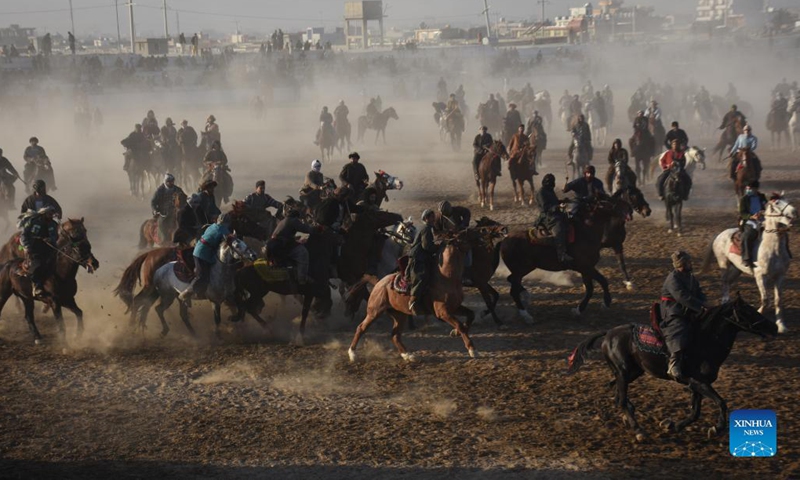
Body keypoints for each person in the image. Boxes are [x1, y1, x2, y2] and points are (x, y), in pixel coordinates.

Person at [660, 251, 708, 381]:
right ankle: (673, 363)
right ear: (682, 264)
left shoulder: (691, 277)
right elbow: (682, 297)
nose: (690, 264)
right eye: (688, 262)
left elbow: (699, 292)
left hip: (690, 308)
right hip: (673, 310)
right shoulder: (673, 278)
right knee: (679, 327)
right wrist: (700, 306)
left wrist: (705, 303)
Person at [178, 213, 234, 303]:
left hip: (202, 251)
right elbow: (230, 239)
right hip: (202, 253)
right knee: (202, 276)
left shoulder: (212, 226)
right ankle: (188, 292)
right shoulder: (223, 230)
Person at [270, 205, 316, 284]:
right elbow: (307, 230)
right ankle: (302, 278)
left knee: (301, 241)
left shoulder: (283, 221)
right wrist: (315, 227)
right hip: (283, 246)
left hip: (277, 244)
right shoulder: (293, 220)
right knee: (303, 253)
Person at [19, 206, 59, 298]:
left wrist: (51, 239)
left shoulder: (53, 224)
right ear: (44, 214)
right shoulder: (33, 222)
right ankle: (36, 286)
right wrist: (27, 246)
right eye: (49, 214)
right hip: (34, 248)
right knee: (38, 265)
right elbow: (24, 234)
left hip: (49, 247)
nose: (51, 216)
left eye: (52, 214)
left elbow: (56, 236)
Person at [535, 174, 573, 263]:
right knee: (559, 230)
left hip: (556, 214)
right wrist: (558, 206)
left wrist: (563, 201)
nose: (551, 183)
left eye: (552, 181)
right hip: (548, 217)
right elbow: (546, 208)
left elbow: (554, 202)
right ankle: (561, 254)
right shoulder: (541, 192)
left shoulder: (550, 191)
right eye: (549, 181)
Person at [407, 209, 438, 315]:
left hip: (423, 256)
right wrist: (438, 247)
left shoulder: (430, 228)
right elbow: (426, 246)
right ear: (426, 218)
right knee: (421, 277)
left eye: (434, 217)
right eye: (431, 217)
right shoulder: (426, 229)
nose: (434, 219)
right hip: (418, 257)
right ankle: (413, 301)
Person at [738, 181, 767, 269]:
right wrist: (751, 216)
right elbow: (742, 213)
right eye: (748, 188)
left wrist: (763, 212)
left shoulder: (762, 197)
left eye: (750, 188)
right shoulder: (744, 199)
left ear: (756, 189)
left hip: (762, 219)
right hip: (750, 221)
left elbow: (766, 206)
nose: (748, 190)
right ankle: (746, 258)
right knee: (746, 236)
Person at [150, 173, 186, 245]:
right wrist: (155, 210)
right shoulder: (160, 190)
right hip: (163, 212)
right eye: (168, 181)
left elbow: (184, 198)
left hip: (176, 211)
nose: (170, 183)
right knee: (162, 223)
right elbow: (153, 202)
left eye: (172, 181)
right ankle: (164, 240)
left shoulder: (178, 189)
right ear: (165, 181)